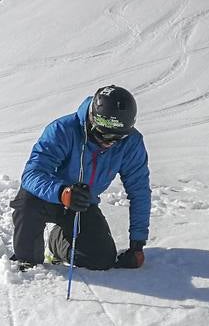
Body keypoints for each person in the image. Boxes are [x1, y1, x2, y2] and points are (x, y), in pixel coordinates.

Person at [11, 85, 150, 270]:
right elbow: (32, 174)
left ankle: (57, 242)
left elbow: (139, 191)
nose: (109, 142)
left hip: (83, 202)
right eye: (104, 134)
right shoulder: (63, 129)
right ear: (92, 121)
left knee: (101, 260)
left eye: (118, 137)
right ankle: (27, 259)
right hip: (47, 196)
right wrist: (62, 192)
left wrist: (137, 245)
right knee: (27, 202)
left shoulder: (131, 143)